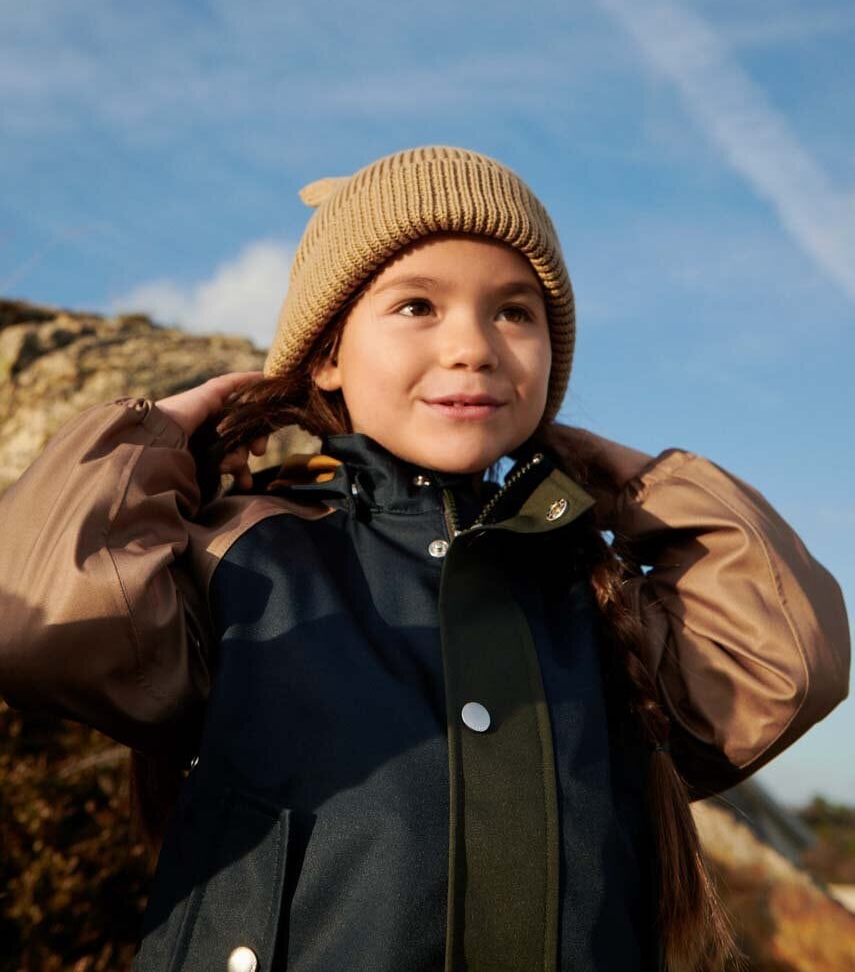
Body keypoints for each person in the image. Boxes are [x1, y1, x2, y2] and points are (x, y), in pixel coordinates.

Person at [0, 145, 848, 972]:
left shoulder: (590, 591)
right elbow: (41, 618)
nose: (474, 345)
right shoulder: (247, 555)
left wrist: (627, 480)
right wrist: (167, 431)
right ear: (325, 355)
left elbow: (788, 657)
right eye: (417, 307)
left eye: (515, 312)